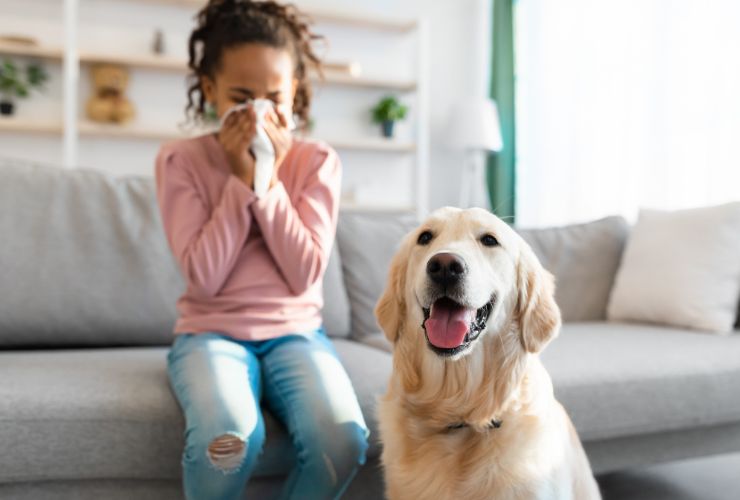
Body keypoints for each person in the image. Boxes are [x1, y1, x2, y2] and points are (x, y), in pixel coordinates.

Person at [154, 1, 368, 498]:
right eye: (241, 96)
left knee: (342, 438)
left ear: (296, 94)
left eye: (274, 97)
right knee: (226, 439)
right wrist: (237, 181)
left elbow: (305, 272)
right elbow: (203, 277)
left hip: (296, 334)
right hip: (211, 333)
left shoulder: (317, 162)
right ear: (210, 91)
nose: (259, 112)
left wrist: (266, 184)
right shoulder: (180, 161)